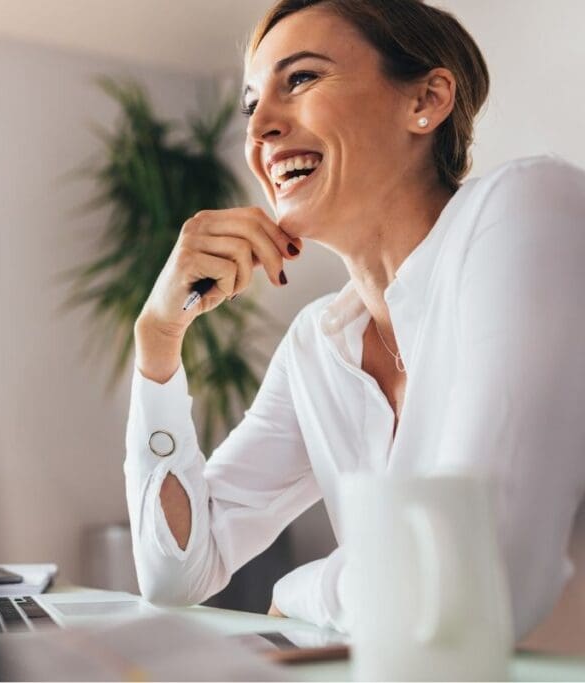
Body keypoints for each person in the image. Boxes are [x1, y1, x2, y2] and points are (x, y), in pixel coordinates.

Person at [125, 0, 585, 640]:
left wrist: (299, 588)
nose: (260, 131)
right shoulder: (318, 345)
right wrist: (157, 341)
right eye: (252, 106)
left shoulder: (530, 207)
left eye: (302, 79)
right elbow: (175, 573)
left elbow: (484, 576)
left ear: (425, 100)